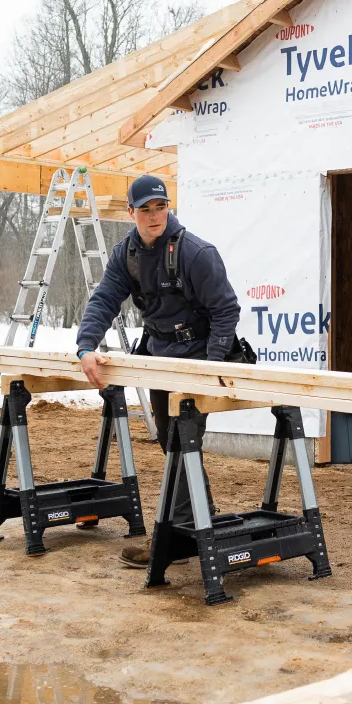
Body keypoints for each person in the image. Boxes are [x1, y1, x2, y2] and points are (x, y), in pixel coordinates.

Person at [75, 173, 241, 568]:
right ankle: (203, 518)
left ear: (169, 207)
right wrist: (85, 347)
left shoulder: (196, 253)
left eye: (161, 207)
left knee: (182, 440)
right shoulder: (126, 254)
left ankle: (177, 536)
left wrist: (211, 368)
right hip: (159, 356)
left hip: (199, 357)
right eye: (145, 209)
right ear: (131, 212)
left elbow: (225, 310)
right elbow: (104, 300)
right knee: (173, 441)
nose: (154, 216)